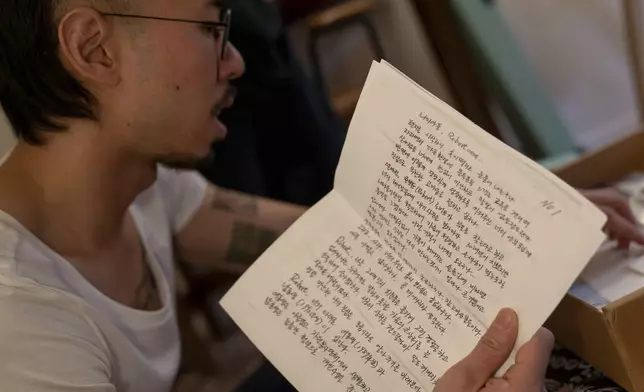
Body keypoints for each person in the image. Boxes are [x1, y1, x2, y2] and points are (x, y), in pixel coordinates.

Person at [0, 1, 638, 391]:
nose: (236, 63)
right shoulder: (23, 325)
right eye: (207, 28)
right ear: (92, 48)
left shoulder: (145, 191)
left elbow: (332, 234)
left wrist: (526, 218)